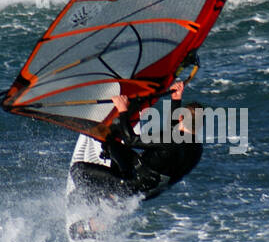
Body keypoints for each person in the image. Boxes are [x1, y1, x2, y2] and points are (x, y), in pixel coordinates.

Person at [68, 80, 204, 205]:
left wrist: (122, 109)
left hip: (132, 186)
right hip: (150, 189)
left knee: (78, 170)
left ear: (181, 117)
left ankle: (97, 202)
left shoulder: (170, 139)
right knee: (112, 144)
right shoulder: (197, 147)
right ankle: (111, 189)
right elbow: (173, 137)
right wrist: (176, 99)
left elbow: (131, 139)